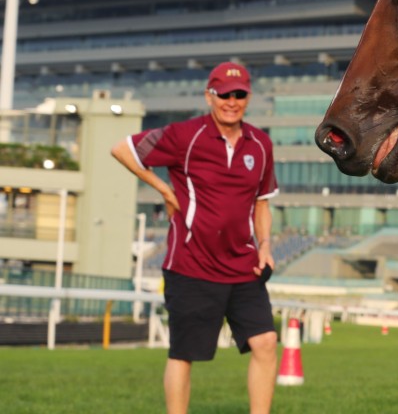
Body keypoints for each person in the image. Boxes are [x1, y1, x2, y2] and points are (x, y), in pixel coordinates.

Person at [111, 61, 279, 413]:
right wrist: (164, 189)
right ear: (209, 96)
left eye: (239, 94)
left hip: (243, 267)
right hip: (192, 265)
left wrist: (265, 246)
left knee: (266, 342)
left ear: (248, 97)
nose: (231, 101)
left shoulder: (261, 144)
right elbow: (122, 149)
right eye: (223, 94)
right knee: (183, 354)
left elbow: (262, 203)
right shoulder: (184, 136)